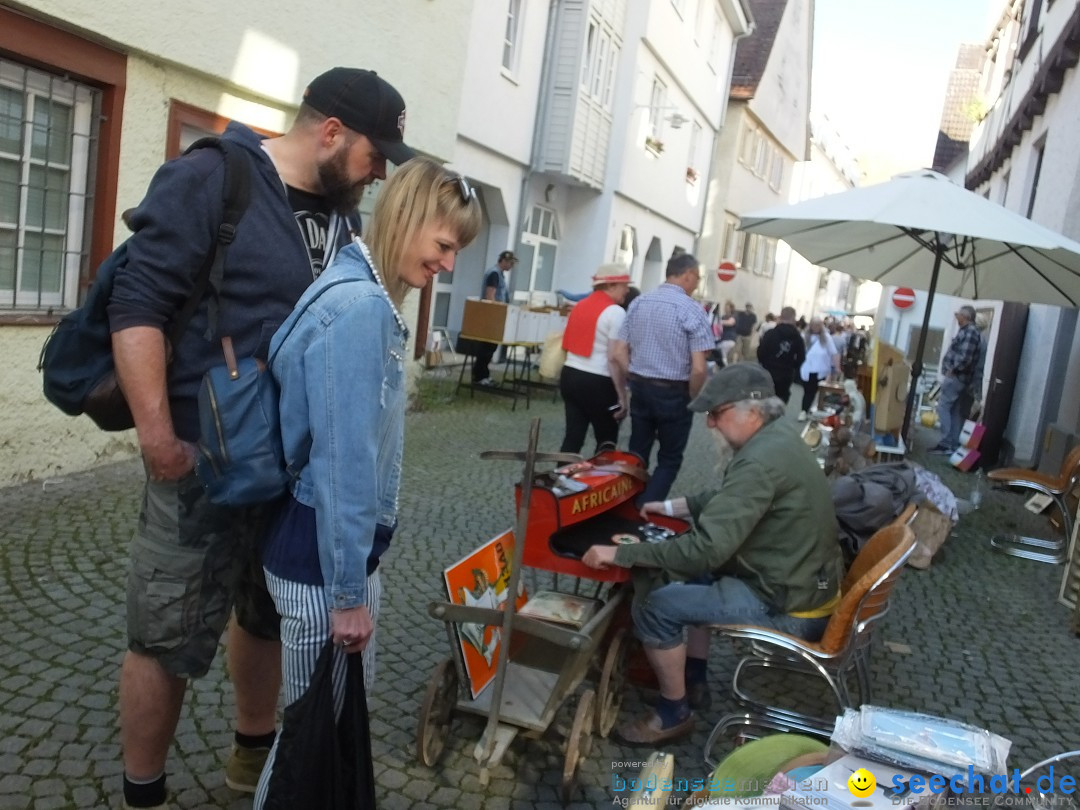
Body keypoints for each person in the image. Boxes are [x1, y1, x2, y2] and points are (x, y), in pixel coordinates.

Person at [107, 67, 413, 810]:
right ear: (332, 133)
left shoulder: (341, 219)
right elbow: (137, 304)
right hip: (198, 463)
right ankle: (141, 792)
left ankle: (251, 757)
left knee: (265, 614)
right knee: (165, 637)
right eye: (376, 156)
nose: (377, 175)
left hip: (289, 474)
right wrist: (158, 439)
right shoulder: (214, 177)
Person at [253, 157, 481, 807]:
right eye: (442, 245)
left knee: (315, 732)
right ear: (406, 219)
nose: (447, 264)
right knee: (306, 742)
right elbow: (344, 463)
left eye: (456, 250)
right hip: (321, 567)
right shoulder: (360, 310)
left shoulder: (358, 289)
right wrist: (350, 593)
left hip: (317, 554)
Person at [582, 363, 842, 744]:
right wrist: (672, 508)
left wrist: (621, 555)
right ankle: (695, 678)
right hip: (805, 585)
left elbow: (705, 549)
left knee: (654, 605)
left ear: (750, 411)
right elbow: (728, 500)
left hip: (788, 604)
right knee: (701, 574)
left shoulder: (758, 460)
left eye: (715, 414)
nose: (710, 425)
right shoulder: (780, 436)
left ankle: (673, 713)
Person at [612, 253, 714, 504]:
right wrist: (692, 396)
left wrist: (634, 375)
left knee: (637, 453)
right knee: (669, 459)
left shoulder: (639, 302)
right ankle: (645, 510)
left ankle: (624, 503)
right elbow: (699, 369)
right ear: (688, 275)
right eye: (697, 278)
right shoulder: (692, 309)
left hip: (641, 387)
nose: (697, 284)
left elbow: (617, 351)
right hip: (675, 391)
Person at [558, 264, 632, 454]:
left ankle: (561, 478)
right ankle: (600, 482)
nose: (628, 289)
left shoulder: (580, 307)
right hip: (598, 381)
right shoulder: (616, 312)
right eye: (625, 285)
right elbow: (614, 357)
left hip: (570, 374)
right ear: (611, 286)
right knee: (606, 439)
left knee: (573, 436)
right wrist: (623, 395)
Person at [931, 304, 982, 454]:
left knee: (943, 407)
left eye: (958, 314)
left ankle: (946, 442)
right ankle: (952, 444)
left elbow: (965, 356)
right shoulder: (967, 331)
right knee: (953, 411)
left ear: (965, 317)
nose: (956, 317)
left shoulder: (970, 332)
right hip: (958, 377)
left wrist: (953, 369)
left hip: (956, 377)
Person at [471, 250, 517, 386]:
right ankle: (480, 376)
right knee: (487, 348)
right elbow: (490, 295)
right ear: (503, 260)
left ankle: (484, 375)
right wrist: (496, 312)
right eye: (510, 263)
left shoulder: (499, 274)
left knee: (490, 348)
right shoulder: (494, 273)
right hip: (491, 316)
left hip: (494, 316)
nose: (511, 266)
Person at [757, 305, 806, 404]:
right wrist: (793, 366)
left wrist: (764, 362)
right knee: (781, 396)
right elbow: (801, 357)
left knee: (766, 396)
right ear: (793, 318)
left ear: (781, 316)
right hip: (786, 372)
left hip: (768, 369)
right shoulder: (797, 337)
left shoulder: (770, 334)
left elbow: (761, 351)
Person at [798, 317, 840, 421]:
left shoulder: (826, 337)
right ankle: (804, 410)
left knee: (819, 391)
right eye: (814, 325)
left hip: (821, 370)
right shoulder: (804, 336)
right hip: (807, 369)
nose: (816, 327)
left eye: (818, 325)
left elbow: (834, 353)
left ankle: (813, 410)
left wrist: (837, 367)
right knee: (809, 391)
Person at [714, 300, 737, 364]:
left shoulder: (733, 316)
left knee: (723, 355)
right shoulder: (723, 316)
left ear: (731, 308)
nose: (726, 309)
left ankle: (725, 368)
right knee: (722, 355)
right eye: (725, 307)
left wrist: (718, 322)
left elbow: (730, 322)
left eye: (727, 307)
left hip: (729, 339)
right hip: (722, 339)